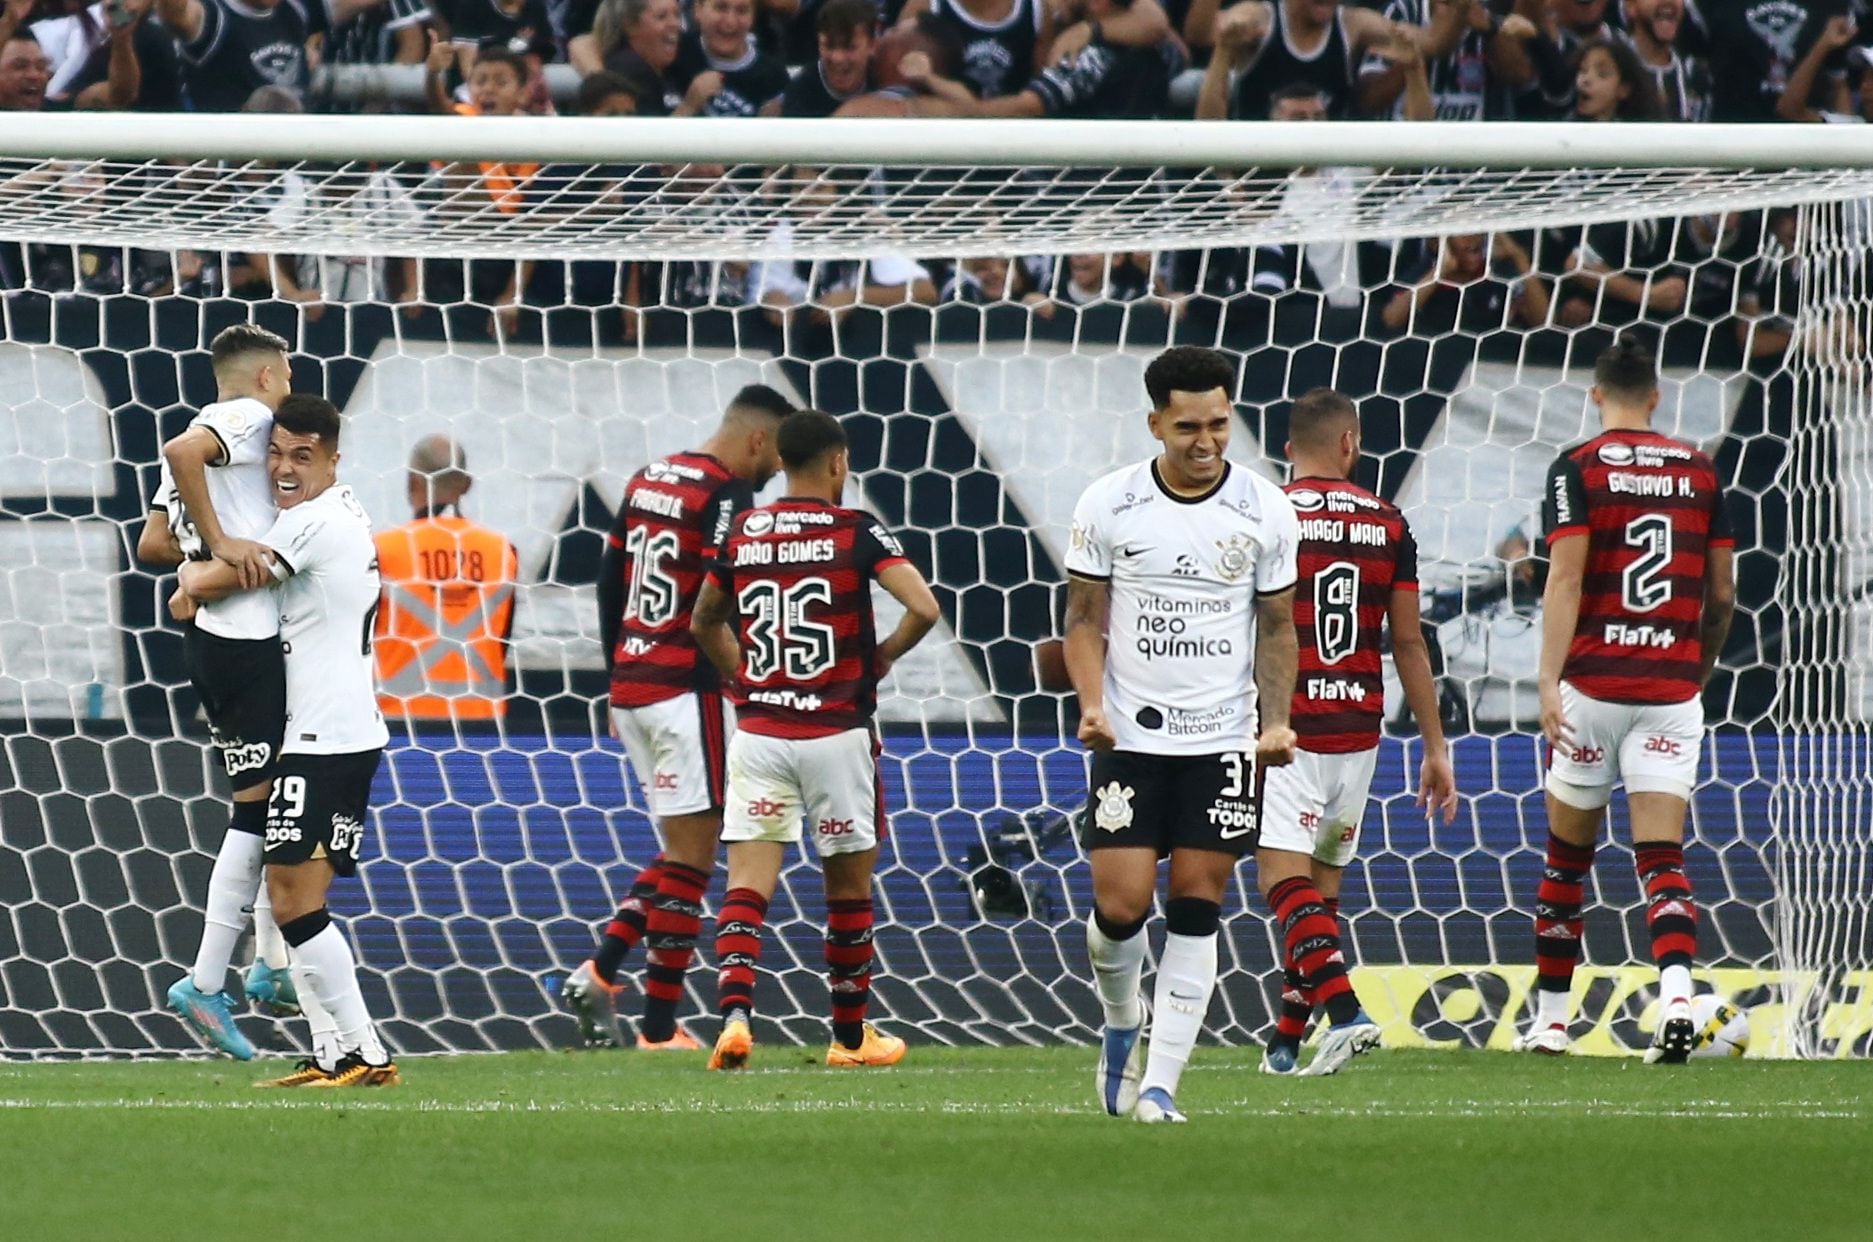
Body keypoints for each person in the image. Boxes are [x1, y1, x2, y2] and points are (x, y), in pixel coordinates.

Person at [1063, 345, 1301, 1124]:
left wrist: (1274, 723)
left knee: (1198, 900)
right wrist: (1091, 704)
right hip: (1130, 736)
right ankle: (1123, 1019)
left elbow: (1275, 625)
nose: (1206, 443)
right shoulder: (1108, 503)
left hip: (1223, 738)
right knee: (1121, 906)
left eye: (1220, 425)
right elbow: (1083, 618)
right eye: (1188, 427)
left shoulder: (1265, 507)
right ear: (1155, 423)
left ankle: (1161, 1085)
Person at [691, 409, 941, 1071]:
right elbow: (924, 607)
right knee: (848, 892)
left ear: (777, 460)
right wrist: (881, 657)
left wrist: (743, 678)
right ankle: (850, 1037)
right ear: (837, 463)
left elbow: (703, 621)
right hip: (835, 732)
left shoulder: (744, 529)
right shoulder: (854, 530)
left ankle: (736, 1015)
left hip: (760, 731)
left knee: (747, 884)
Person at [1515, 334, 1735, 1063]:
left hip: (1592, 687)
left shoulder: (1576, 466)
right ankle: (1676, 994)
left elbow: (1566, 578)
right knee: (1661, 856)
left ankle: (1550, 1022)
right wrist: (1695, 669)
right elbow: (1722, 593)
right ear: (1657, 396)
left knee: (1564, 860)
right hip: (1670, 688)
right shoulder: (1701, 471)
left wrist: (1547, 681)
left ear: (1594, 394)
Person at [560, 384, 795, 1050]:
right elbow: (729, 590)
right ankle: (656, 1026)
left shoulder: (650, 476)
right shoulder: (727, 492)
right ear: (757, 439)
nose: (775, 471)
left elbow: (610, 579)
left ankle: (606, 974)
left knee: (680, 852)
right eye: (775, 457)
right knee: (693, 863)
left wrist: (613, 675)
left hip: (634, 686)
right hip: (687, 689)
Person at [177, 395, 399, 1088]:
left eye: (302, 455)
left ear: (333, 458)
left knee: (295, 898)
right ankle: (334, 1053)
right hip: (334, 729)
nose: (282, 467)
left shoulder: (310, 523)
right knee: (290, 896)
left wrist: (192, 571)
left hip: (323, 736)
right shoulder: (343, 511)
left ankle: (365, 1052)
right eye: (275, 452)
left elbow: (200, 589)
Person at [1257, 388, 1458, 1075]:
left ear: (1289, 450)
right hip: (1361, 728)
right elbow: (1408, 643)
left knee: (1282, 882)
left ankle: (1344, 1012)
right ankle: (1285, 1041)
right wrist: (1434, 746)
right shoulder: (1389, 522)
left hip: (1288, 727)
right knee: (1321, 891)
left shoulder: (1270, 512)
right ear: (1349, 443)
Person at [145, 323, 297, 1060]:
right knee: (260, 808)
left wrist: (201, 553)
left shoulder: (223, 453)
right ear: (267, 376)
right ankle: (208, 982)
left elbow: (150, 544)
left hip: (217, 637)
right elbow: (182, 452)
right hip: (243, 637)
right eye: (289, 376)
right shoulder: (247, 420)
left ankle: (268, 965)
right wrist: (227, 546)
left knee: (275, 802)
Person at [373, 435, 519, 725]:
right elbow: (502, 640)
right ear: (467, 485)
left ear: (411, 483)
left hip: (397, 722)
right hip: (484, 725)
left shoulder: (381, 549)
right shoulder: (503, 551)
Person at [1191, 0, 1420, 121]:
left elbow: (1431, 43)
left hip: (1332, 185)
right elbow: (1200, 33)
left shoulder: (1354, 24)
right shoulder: (1257, 18)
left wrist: (1413, 65)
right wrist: (1223, 49)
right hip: (1260, 182)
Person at [155, 0, 328, 112]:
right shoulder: (213, 14)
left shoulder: (295, 10)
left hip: (301, 152)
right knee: (266, 102)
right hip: (234, 156)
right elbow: (175, 16)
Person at [669, 0, 788, 117]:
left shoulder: (772, 75)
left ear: (753, 17)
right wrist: (688, 106)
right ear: (698, 9)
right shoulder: (674, 53)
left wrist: (767, 127)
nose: (730, 21)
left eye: (742, 10)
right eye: (721, 7)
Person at [773, 0, 874, 117]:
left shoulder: (885, 78)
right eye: (829, 46)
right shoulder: (800, 93)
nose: (837, 58)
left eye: (849, 47)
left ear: (872, 46)